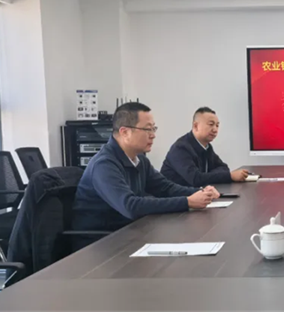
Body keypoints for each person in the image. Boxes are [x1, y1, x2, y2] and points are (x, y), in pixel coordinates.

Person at [72, 102, 218, 249]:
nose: (153, 135)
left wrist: (200, 192)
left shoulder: (140, 160)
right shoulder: (104, 165)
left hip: (130, 232)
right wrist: (187, 202)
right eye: (147, 129)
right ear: (125, 132)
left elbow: (165, 188)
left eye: (154, 128)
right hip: (100, 245)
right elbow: (130, 206)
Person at [161, 107, 248, 188]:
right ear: (196, 126)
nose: (215, 130)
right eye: (211, 124)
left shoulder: (207, 147)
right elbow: (195, 179)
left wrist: (205, 176)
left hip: (197, 194)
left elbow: (224, 168)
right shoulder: (181, 148)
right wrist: (229, 176)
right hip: (174, 197)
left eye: (217, 125)